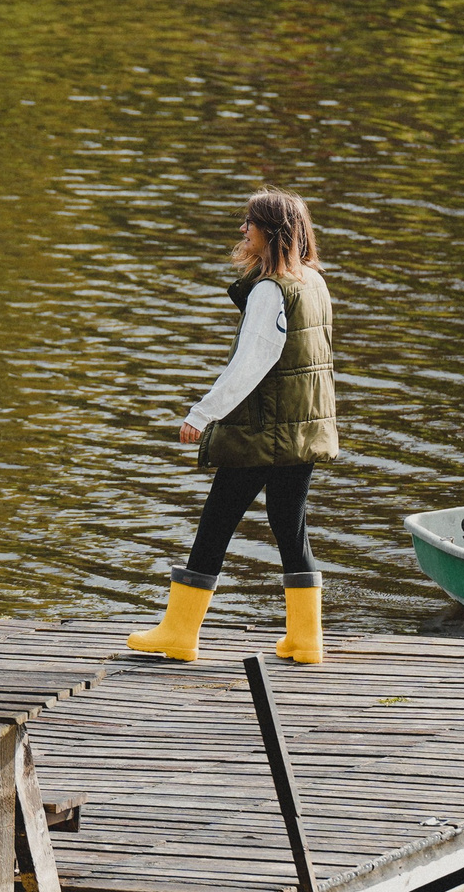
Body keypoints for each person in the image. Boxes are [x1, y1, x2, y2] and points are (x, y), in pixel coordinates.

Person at [126, 187, 337, 665]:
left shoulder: (270, 292)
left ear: (270, 232)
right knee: (290, 526)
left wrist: (202, 415)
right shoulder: (316, 284)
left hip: (264, 433)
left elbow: (251, 364)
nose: (243, 230)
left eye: (250, 223)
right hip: (305, 432)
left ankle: (179, 633)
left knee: (216, 521)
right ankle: (306, 641)